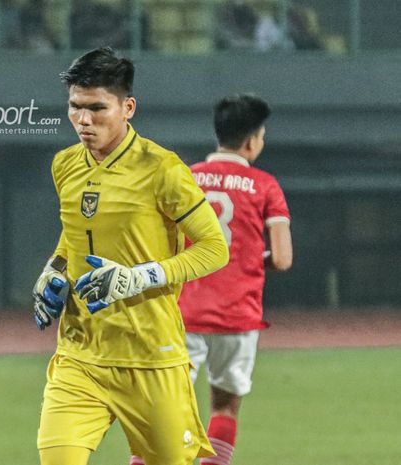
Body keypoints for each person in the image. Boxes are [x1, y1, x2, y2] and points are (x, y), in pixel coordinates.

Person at [32, 47, 229, 465]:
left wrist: (142, 276)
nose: (83, 121)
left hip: (150, 357)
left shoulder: (163, 170)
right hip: (79, 356)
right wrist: (54, 271)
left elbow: (215, 249)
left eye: (96, 108)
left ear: (128, 107)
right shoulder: (64, 165)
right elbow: (73, 239)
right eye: (74, 108)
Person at [130, 94, 293, 465]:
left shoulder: (183, 177)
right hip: (237, 317)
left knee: (162, 410)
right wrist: (250, 261)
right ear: (252, 141)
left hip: (180, 314)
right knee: (224, 408)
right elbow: (282, 259)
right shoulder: (266, 186)